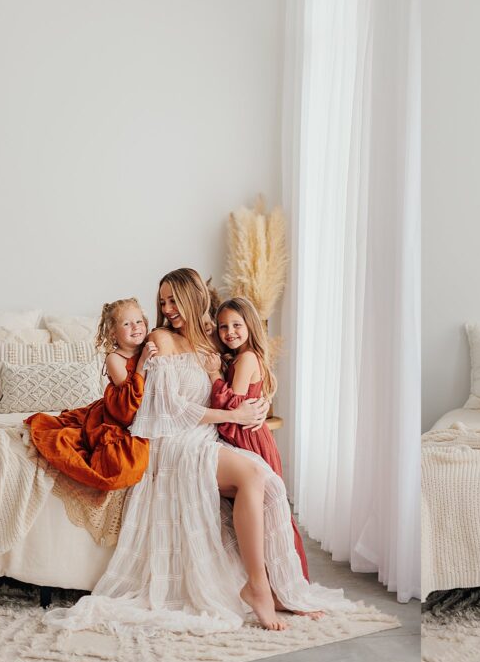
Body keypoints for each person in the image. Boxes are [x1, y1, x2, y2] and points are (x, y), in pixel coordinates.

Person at [45, 268, 350, 634]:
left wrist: (255, 403)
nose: (168, 308)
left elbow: (238, 376)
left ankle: (270, 584)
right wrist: (232, 414)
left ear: (193, 299)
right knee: (253, 474)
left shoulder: (210, 341)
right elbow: (168, 409)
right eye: (162, 301)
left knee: (264, 481)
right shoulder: (159, 340)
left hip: (203, 436)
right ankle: (258, 587)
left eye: (174, 300)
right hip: (173, 442)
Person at [209, 296, 309, 579]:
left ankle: (277, 579)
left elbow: (233, 406)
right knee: (263, 510)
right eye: (223, 327)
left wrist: (214, 374)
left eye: (237, 325)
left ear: (250, 325)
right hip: (254, 435)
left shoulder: (246, 358)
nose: (230, 332)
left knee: (264, 510)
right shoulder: (244, 356)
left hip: (246, 437)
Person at [26, 298, 152, 490]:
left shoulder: (150, 345)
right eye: (127, 323)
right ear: (113, 333)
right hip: (120, 415)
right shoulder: (115, 359)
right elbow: (130, 398)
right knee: (122, 465)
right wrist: (142, 364)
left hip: (145, 410)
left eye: (139, 321)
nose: (135, 327)